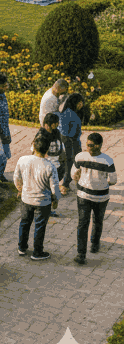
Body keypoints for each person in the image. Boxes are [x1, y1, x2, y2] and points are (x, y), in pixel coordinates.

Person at [72, 132, 117, 265]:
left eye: (92, 145)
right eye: (88, 145)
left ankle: (90, 247)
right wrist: (102, 182)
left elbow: (74, 173)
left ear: (100, 145)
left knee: (88, 223)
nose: (89, 148)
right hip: (94, 196)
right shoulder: (107, 160)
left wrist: (78, 177)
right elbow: (112, 180)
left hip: (88, 196)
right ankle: (85, 251)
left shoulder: (82, 157)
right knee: (90, 222)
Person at [15, 132, 60, 260]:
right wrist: (55, 199)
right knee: (40, 226)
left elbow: (16, 178)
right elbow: (55, 188)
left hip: (26, 199)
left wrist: (20, 189)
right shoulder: (50, 166)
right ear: (47, 150)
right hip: (43, 202)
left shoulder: (23, 160)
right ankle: (37, 252)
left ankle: (22, 247)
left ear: (33, 147)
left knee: (24, 223)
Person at [59, 93, 84, 193]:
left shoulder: (71, 112)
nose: (81, 105)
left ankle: (73, 183)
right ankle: (65, 184)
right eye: (79, 103)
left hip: (74, 142)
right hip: (70, 143)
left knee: (76, 164)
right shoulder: (67, 114)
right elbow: (64, 131)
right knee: (70, 164)